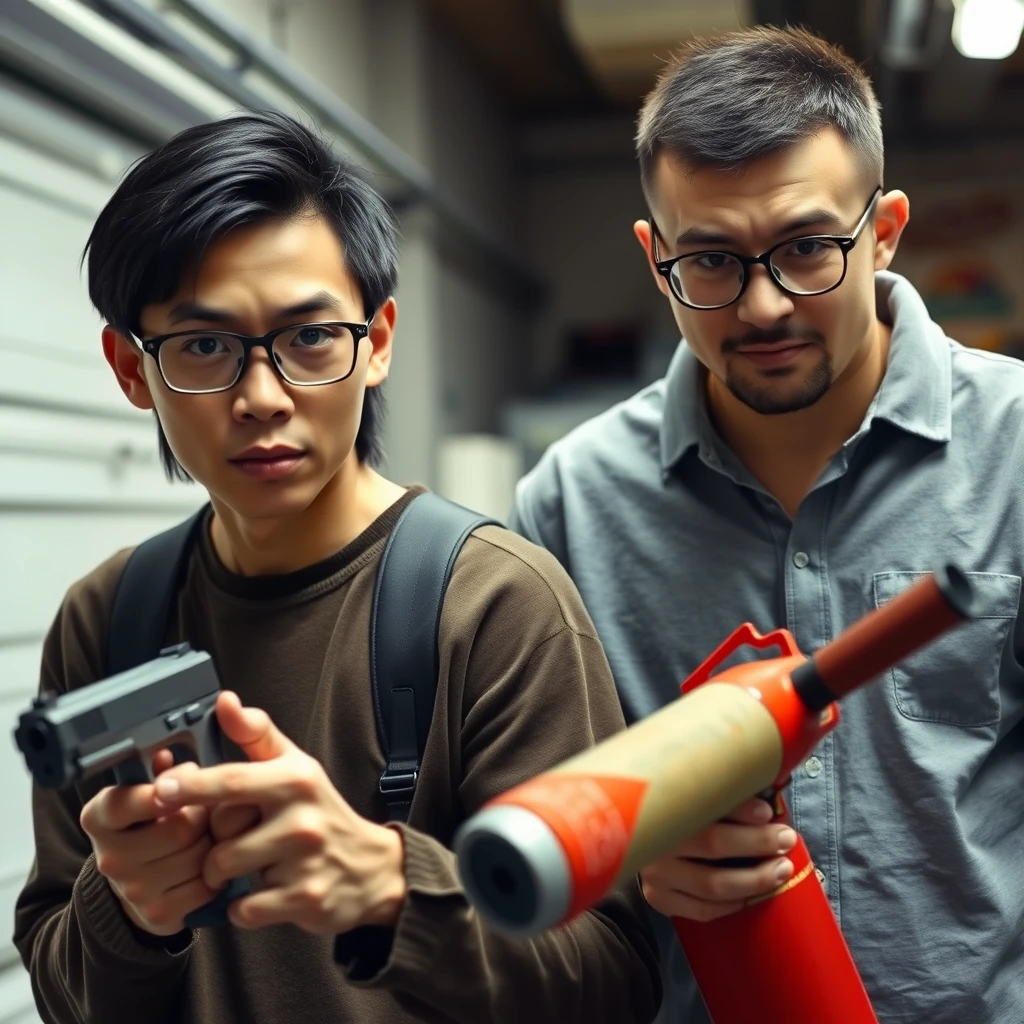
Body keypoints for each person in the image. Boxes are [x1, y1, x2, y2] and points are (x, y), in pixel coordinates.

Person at [13, 110, 662, 1024]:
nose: (263, 398)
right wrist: (127, 913)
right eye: (204, 348)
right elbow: (60, 986)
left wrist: (394, 888)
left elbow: (609, 983)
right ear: (131, 369)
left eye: (310, 339)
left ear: (379, 341)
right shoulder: (106, 618)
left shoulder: (496, 606)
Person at [510, 25, 1024, 1024]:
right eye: (709, 259)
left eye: (805, 248)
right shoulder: (568, 505)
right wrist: (633, 859)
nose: (760, 305)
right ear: (653, 255)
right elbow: (541, 862)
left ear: (883, 230)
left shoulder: (1014, 449)